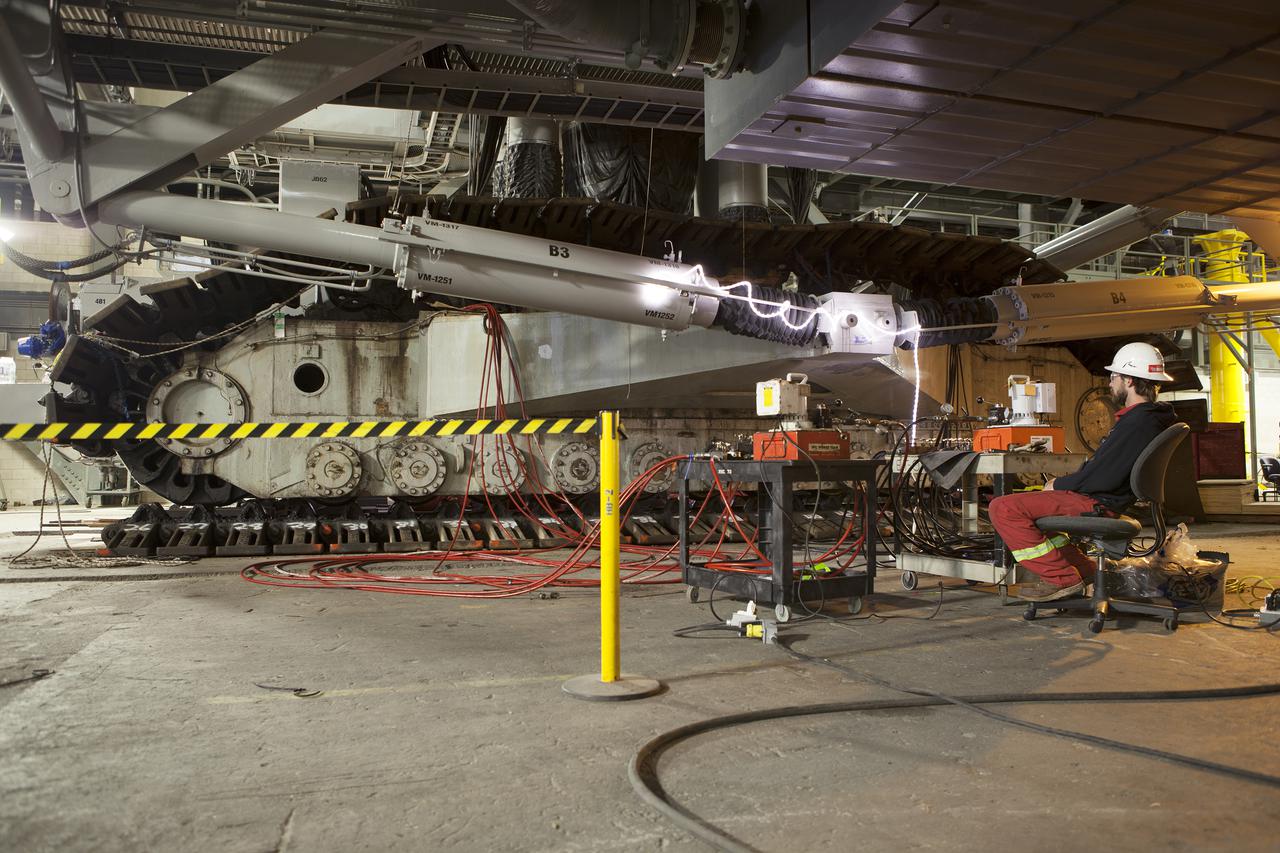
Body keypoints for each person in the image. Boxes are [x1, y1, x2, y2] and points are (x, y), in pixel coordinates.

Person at [987, 342, 1180, 602]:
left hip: (1099, 500)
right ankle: (1085, 569)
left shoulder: (1138, 423)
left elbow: (1104, 477)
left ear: (1130, 381)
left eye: (1114, 377)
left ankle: (1063, 578)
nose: (1111, 384)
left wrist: (1058, 484)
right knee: (1032, 510)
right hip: (1108, 498)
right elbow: (1107, 470)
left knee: (1003, 508)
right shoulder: (1151, 419)